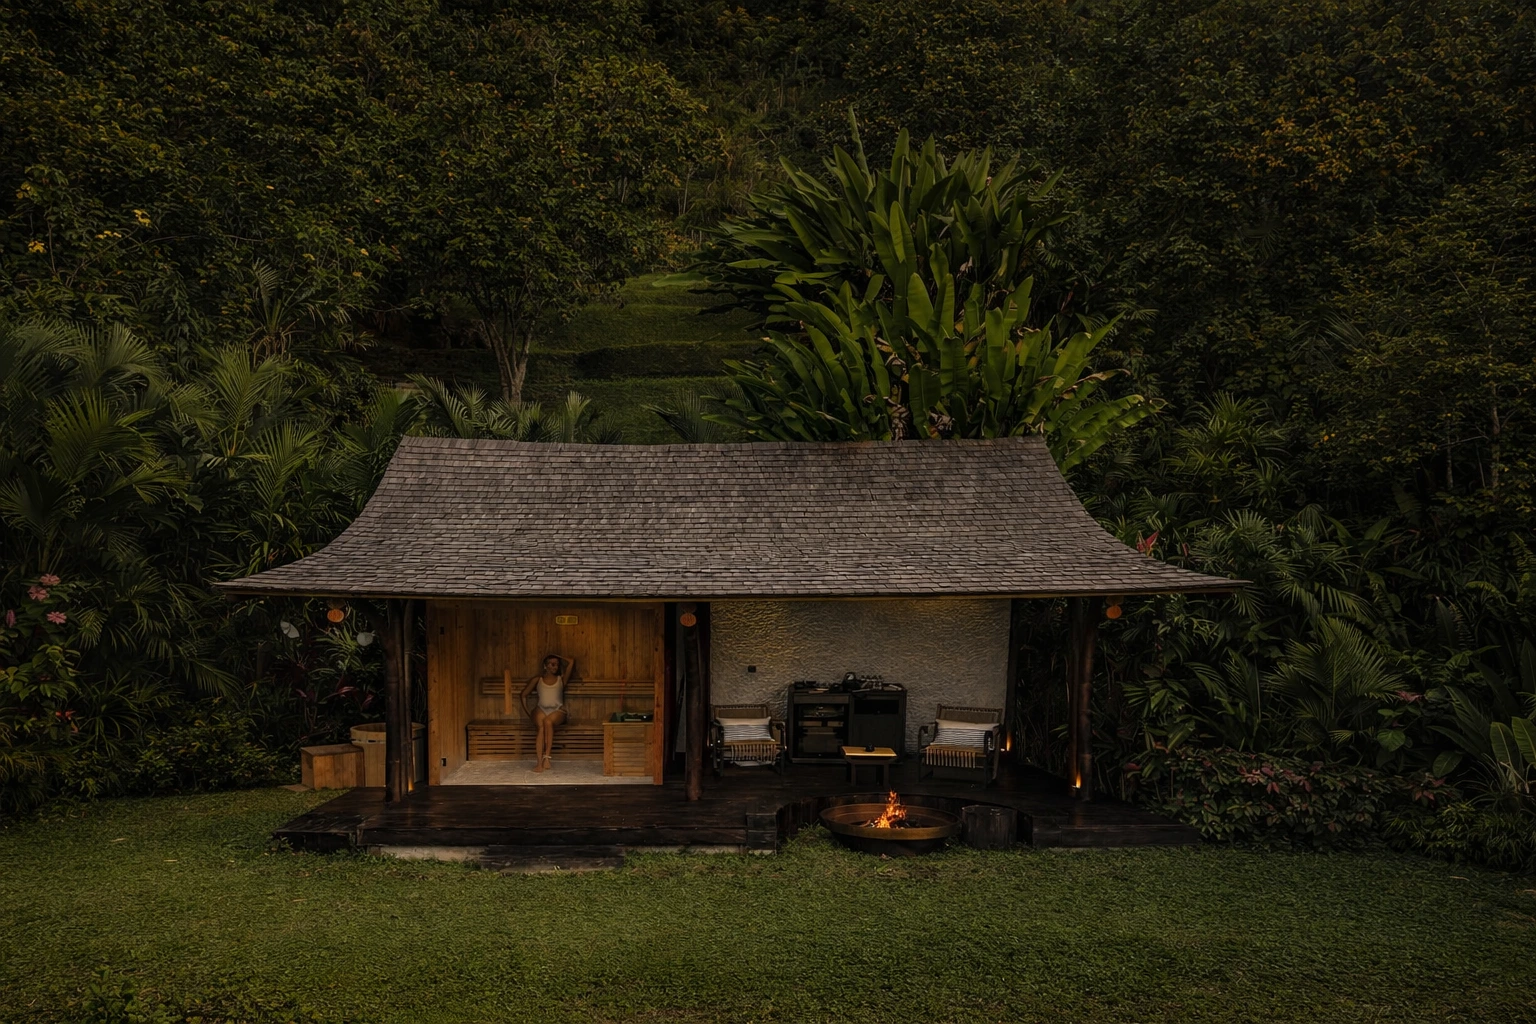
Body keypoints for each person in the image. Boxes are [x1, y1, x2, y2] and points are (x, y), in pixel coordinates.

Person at [521, 654, 570, 772]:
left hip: (558, 710)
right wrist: (529, 713)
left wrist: (557, 654)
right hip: (541, 708)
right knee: (541, 727)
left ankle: (547, 758)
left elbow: (571, 662)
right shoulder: (538, 680)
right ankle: (539, 763)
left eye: (557, 664)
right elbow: (523, 695)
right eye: (552, 664)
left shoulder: (561, 679)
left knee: (547, 722)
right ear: (545, 666)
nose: (555, 667)